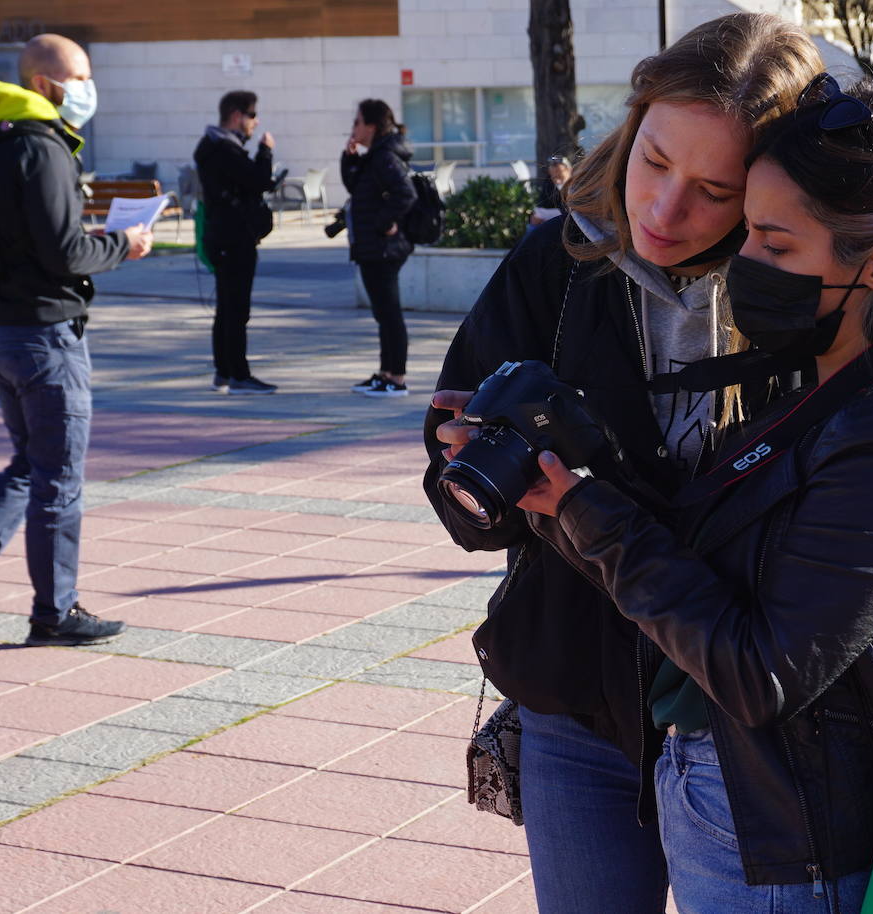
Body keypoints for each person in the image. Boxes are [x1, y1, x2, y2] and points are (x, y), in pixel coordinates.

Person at [502, 75, 873, 912]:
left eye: (774, 243)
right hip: (744, 807)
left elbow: (758, 671)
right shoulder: (821, 386)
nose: (745, 263)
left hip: (788, 844)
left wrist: (584, 512)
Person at [424, 14, 822, 912]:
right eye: (653, 161)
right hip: (576, 700)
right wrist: (483, 481)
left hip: (742, 720)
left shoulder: (805, 292)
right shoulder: (556, 263)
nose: (662, 210)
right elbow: (456, 492)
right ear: (632, 123)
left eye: (713, 189)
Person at [0, 34, 150, 647]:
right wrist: (125, 244)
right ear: (45, 83)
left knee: (31, 466)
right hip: (44, 337)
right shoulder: (38, 148)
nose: (87, 90)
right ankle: (54, 612)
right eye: (80, 77)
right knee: (59, 477)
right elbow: (64, 252)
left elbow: (33, 238)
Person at [194, 90, 279, 394]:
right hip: (234, 238)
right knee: (236, 309)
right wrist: (266, 151)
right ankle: (239, 374)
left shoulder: (214, 147)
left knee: (226, 308)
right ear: (236, 115)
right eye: (252, 115)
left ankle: (224, 371)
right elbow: (258, 181)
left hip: (224, 237)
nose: (256, 123)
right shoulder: (224, 150)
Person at [343, 99, 417, 398]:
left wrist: (384, 221)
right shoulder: (374, 155)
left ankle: (396, 378)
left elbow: (405, 193)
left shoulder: (384, 156)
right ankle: (386, 373)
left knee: (389, 314)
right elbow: (357, 188)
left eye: (357, 122)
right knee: (383, 314)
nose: (353, 128)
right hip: (373, 248)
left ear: (371, 126)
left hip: (384, 249)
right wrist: (349, 158)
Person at [527, 154, 572, 228]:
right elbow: (542, 204)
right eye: (553, 174)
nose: (556, 176)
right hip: (546, 222)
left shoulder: (576, 185)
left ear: (569, 169)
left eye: (559, 172)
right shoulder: (548, 184)